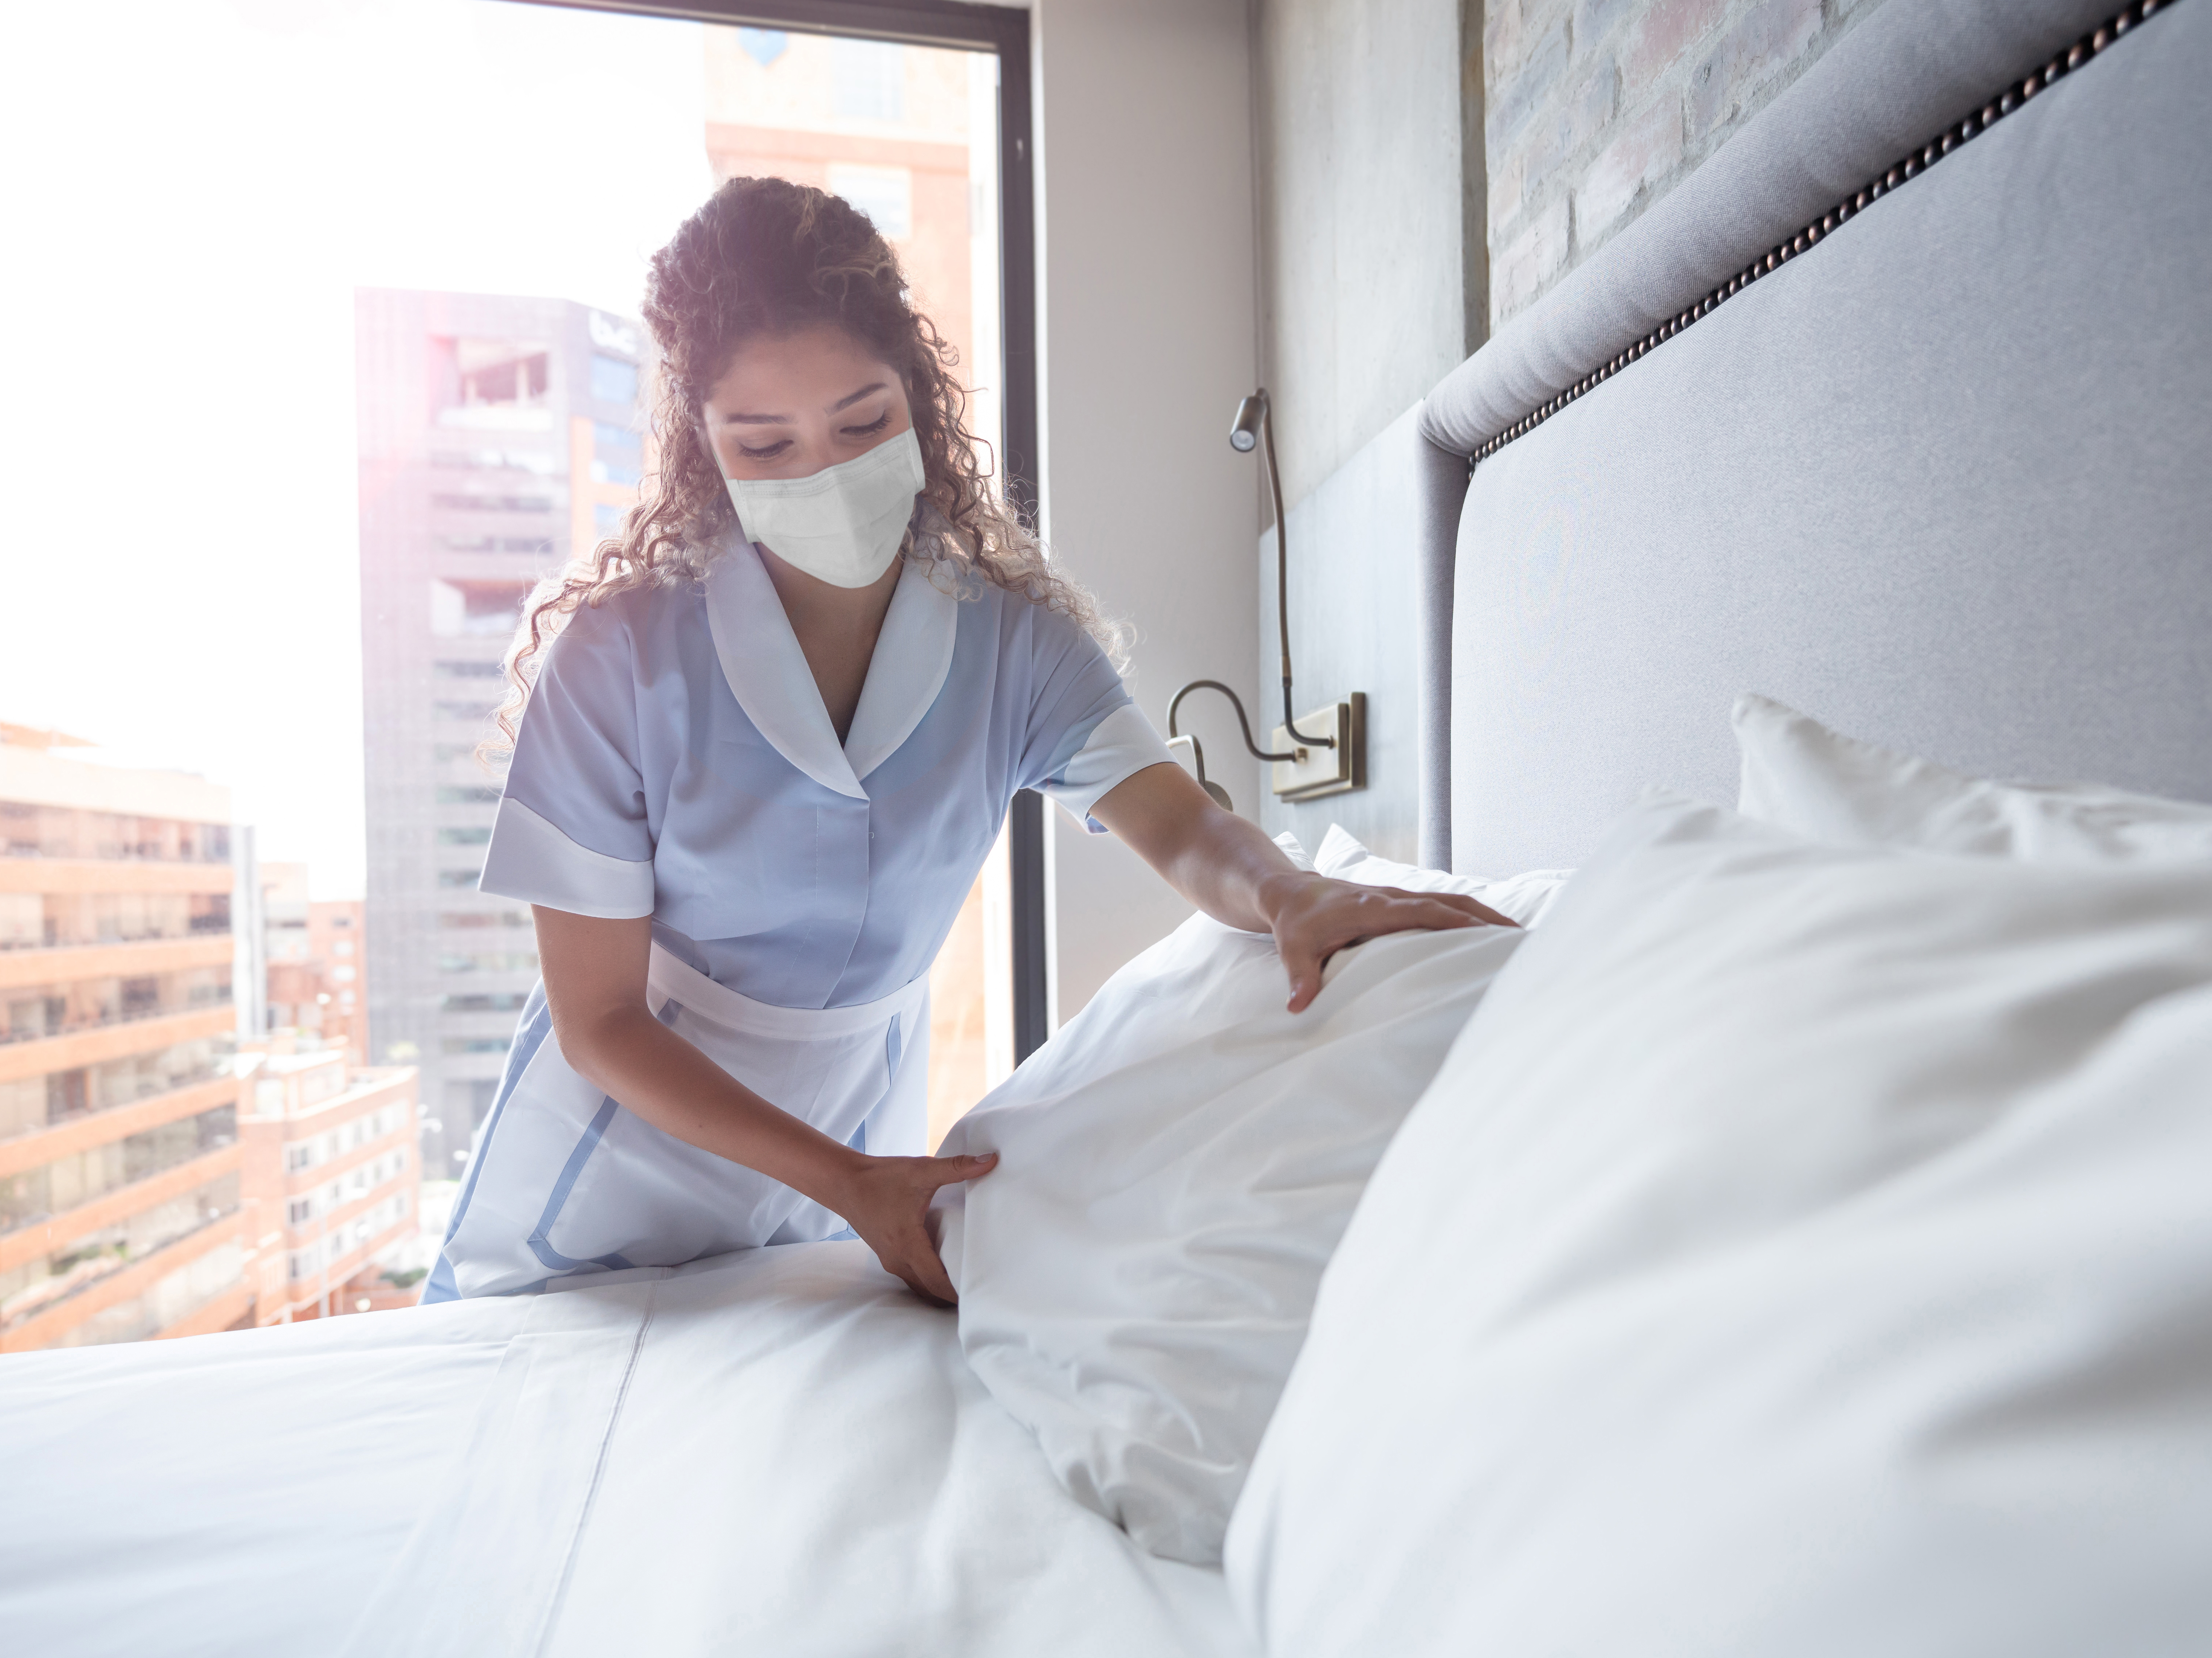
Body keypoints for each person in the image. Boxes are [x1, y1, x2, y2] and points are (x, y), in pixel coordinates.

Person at [422, 178, 1505, 1308]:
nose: (824, 473)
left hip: (839, 1183)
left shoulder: (1011, 645)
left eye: (861, 423)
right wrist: (847, 1182)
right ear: (701, 450)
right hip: (607, 1189)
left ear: (921, 402)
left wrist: (1288, 894)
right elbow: (598, 1022)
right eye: (765, 444)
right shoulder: (618, 662)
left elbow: (1182, 824)